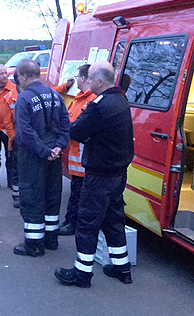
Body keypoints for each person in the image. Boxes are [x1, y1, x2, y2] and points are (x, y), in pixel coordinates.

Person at [54, 61, 134, 288]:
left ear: (100, 81)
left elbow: (77, 131)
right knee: (114, 220)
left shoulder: (99, 105)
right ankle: (122, 268)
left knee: (87, 223)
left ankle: (82, 273)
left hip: (99, 174)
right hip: (118, 173)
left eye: (89, 78)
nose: (86, 82)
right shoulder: (120, 99)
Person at [13, 58, 70, 257]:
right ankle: (51, 239)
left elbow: (25, 132)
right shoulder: (56, 95)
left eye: (18, 76)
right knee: (52, 196)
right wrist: (57, 148)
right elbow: (66, 125)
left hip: (33, 157)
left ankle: (34, 244)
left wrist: (44, 152)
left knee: (31, 198)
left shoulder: (24, 98)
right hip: (54, 156)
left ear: (24, 76)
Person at [59, 64, 97, 236]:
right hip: (76, 158)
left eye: (77, 77)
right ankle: (70, 221)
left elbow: (82, 128)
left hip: (84, 159)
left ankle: (73, 225)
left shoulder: (91, 100)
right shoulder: (79, 98)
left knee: (80, 196)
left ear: (83, 79)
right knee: (75, 193)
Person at [4, 69, 21, 208]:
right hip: (17, 139)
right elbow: (7, 121)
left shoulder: (30, 93)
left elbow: (52, 90)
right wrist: (13, 136)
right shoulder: (10, 96)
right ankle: (16, 195)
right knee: (16, 167)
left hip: (28, 139)